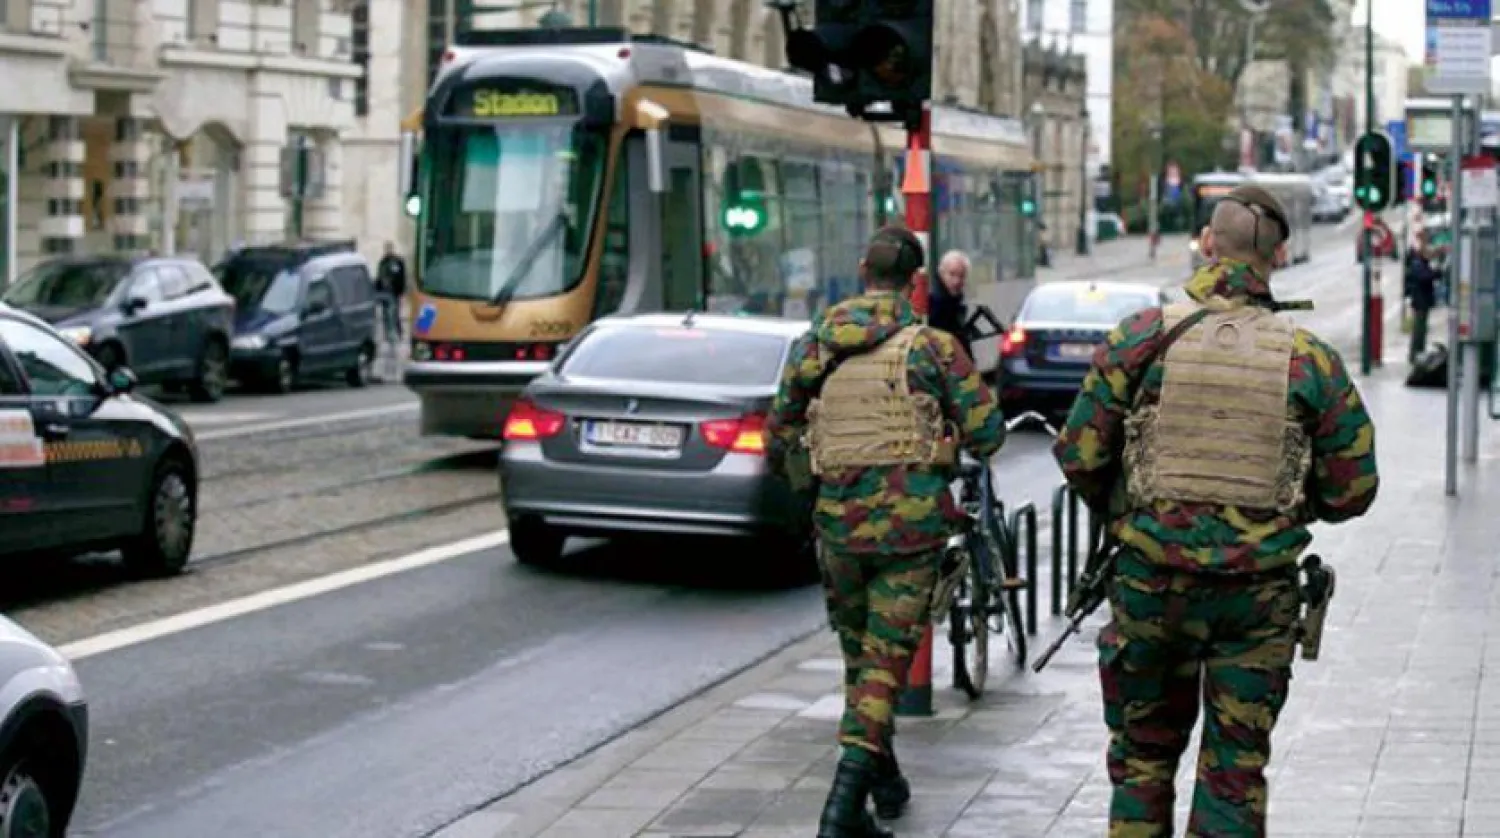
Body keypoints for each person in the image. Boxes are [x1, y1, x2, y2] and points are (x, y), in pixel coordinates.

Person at [1052, 185, 1380, 837]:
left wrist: (1131, 513)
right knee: (1234, 772)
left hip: (1149, 586)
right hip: (1256, 600)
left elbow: (1080, 454)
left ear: (1206, 243)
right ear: (1278, 257)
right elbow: (1355, 489)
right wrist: (1283, 501)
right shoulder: (1308, 359)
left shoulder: (1141, 337)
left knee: (1143, 762)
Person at [767, 225, 1006, 838]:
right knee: (883, 667)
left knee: (862, 661)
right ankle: (841, 813)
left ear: (861, 271)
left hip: (838, 531)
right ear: (915, 282)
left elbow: (779, 433)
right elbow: (989, 434)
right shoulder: (932, 347)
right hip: (910, 533)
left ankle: (887, 784)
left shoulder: (814, 345)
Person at [1404, 232, 1441, 362]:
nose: (1429, 255)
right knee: (1419, 329)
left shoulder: (1421, 262)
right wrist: (1436, 273)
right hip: (1420, 301)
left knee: (1422, 329)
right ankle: (1415, 354)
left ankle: (1418, 352)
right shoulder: (1417, 263)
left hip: (1423, 300)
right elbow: (1424, 277)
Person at [927, 250, 972, 356]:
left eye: (961, 276)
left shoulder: (952, 300)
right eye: (952, 274)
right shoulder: (937, 302)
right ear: (941, 272)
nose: (956, 281)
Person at [375, 241, 407, 341]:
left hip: (394, 292)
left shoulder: (397, 262)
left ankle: (397, 332)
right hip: (384, 293)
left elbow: (401, 277)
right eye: (386, 249)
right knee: (386, 314)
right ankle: (388, 333)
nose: (387, 251)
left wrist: (401, 290)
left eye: (389, 249)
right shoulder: (382, 262)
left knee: (394, 313)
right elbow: (379, 276)